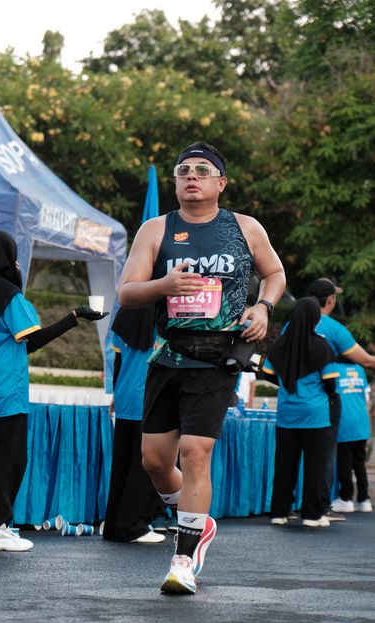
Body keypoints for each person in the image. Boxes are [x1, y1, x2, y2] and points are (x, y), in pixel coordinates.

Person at [118, 141, 286, 595]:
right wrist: (165, 284)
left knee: (195, 452)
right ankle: (197, 520)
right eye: (184, 170)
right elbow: (127, 292)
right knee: (155, 462)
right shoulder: (156, 229)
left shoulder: (244, 227)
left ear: (221, 183)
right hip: (168, 354)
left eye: (202, 170)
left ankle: (184, 558)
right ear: (176, 182)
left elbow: (275, 274)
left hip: (218, 356)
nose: (191, 176)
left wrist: (263, 307)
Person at [0, 230, 106, 553]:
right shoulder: (8, 295)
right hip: (7, 389)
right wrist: (74, 316)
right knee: (7, 460)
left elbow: (11, 343)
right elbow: (34, 339)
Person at [264, 297, 339, 527]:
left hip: (287, 414)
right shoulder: (322, 346)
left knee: (284, 465)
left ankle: (279, 512)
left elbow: (268, 373)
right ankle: (312, 515)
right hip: (315, 416)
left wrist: (288, 385)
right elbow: (330, 382)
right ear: (315, 317)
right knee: (314, 466)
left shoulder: (280, 344)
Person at [305, 278, 375, 517]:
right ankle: (331, 504)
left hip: (297, 404)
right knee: (335, 459)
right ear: (330, 300)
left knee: (302, 458)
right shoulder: (334, 329)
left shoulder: (292, 325)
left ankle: (293, 506)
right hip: (335, 410)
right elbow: (366, 361)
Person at [103, 305, 167, 544]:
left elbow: (118, 361)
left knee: (122, 466)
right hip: (151, 398)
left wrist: (116, 394)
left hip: (125, 396)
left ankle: (114, 526)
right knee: (144, 468)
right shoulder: (164, 317)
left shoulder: (126, 313)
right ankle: (133, 526)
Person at [331, 361, 372, 513]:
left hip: (345, 422)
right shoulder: (359, 369)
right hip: (361, 421)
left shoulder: (333, 368)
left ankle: (346, 498)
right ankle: (364, 499)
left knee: (345, 463)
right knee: (359, 463)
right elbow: (366, 396)